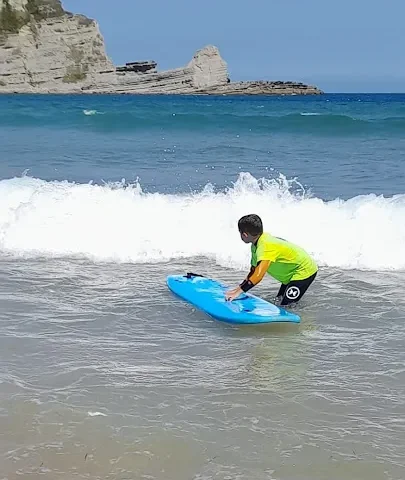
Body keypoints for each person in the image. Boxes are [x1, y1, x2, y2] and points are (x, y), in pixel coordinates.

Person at [225, 214, 318, 305]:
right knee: (278, 300)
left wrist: (238, 292)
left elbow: (258, 276)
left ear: (244, 234)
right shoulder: (255, 245)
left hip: (304, 271)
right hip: (292, 272)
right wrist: (238, 288)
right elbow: (253, 271)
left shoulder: (265, 246)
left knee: (287, 306)